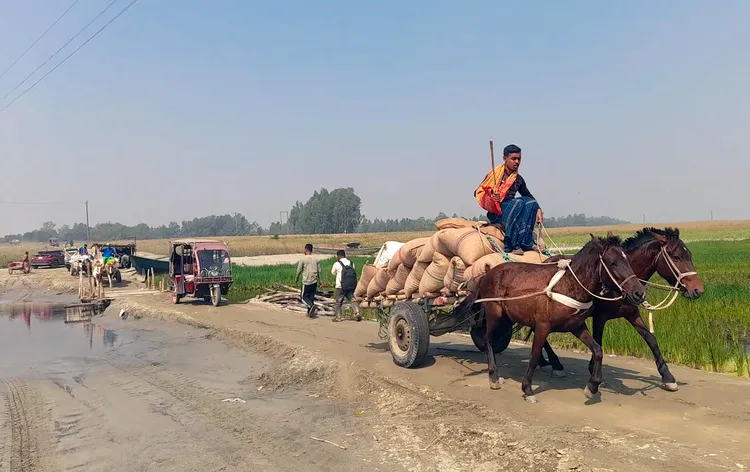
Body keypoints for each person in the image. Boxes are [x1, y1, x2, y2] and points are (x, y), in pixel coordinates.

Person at [474, 143, 543, 255]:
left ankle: (526, 242)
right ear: (505, 158)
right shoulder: (494, 175)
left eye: (519, 159)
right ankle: (512, 244)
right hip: (497, 213)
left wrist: (538, 209)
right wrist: (492, 195)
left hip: (513, 208)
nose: (517, 162)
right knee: (518, 203)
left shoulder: (518, 179)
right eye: (513, 159)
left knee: (531, 202)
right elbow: (478, 192)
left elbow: (528, 195)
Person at [331, 250, 362, 322]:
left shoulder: (337, 263)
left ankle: (338, 317)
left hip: (340, 286)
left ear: (338, 256)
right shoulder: (351, 263)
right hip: (351, 285)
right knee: (352, 298)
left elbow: (333, 273)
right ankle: (357, 312)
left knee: (339, 302)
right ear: (345, 255)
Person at [295, 244, 321, 318]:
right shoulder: (316, 259)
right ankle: (310, 312)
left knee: (303, 297)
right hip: (314, 281)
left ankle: (311, 306)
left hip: (306, 281)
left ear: (306, 250)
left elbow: (299, 270)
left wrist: (296, 278)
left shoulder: (303, 259)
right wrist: (320, 281)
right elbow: (319, 271)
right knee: (311, 297)